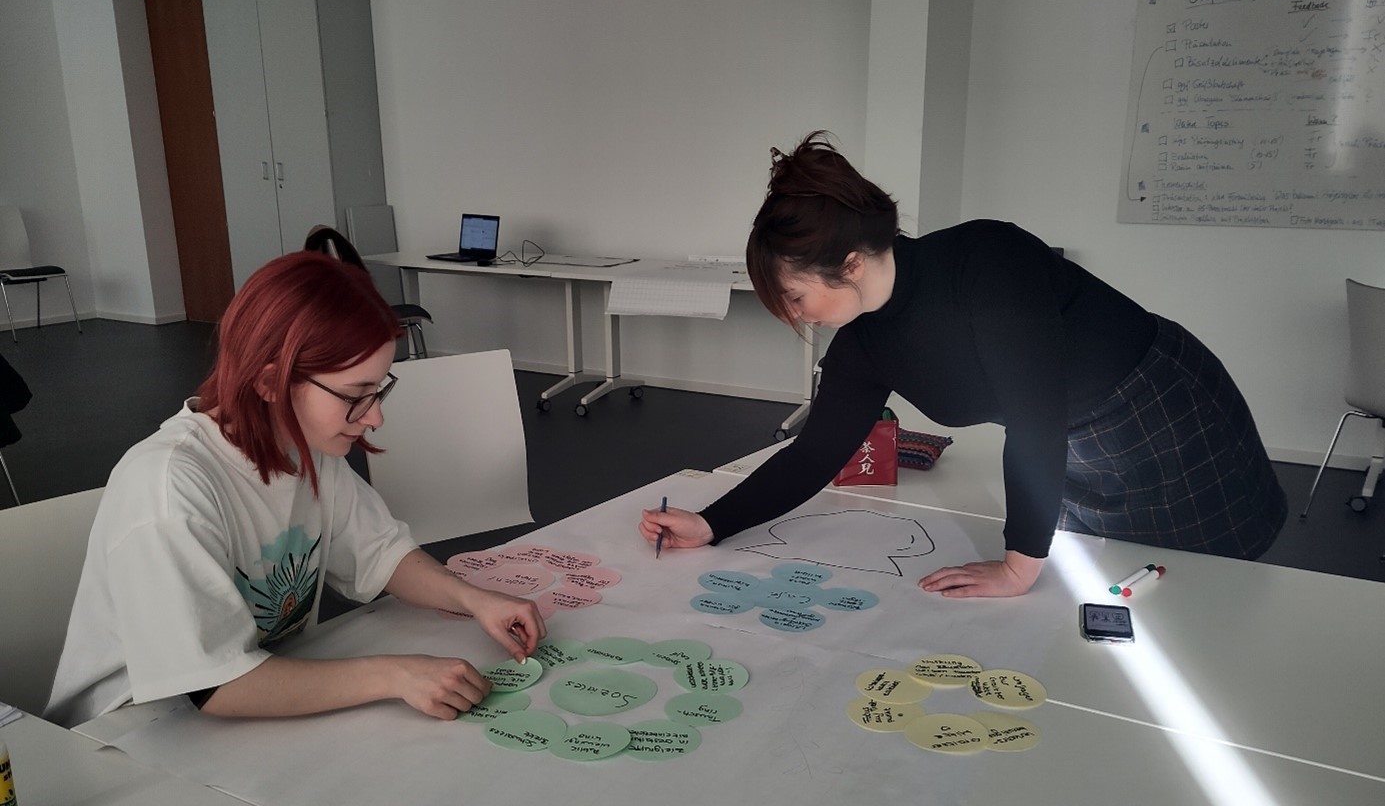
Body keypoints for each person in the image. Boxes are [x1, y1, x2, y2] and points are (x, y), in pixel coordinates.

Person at [639, 131, 1287, 598]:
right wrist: (710, 521)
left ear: (852, 264)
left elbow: (1034, 418)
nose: (797, 315)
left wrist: (1016, 565)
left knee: (1212, 588)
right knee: (1121, 586)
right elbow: (815, 453)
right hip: (1077, 443)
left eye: (796, 297)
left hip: (1160, 413)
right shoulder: (862, 345)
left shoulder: (985, 261)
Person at [45, 252, 546, 727]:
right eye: (355, 395)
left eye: (379, 389)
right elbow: (215, 687)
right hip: (134, 734)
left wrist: (475, 599)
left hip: (250, 702)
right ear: (269, 382)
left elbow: (381, 554)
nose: (375, 416)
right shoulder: (171, 487)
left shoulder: (303, 447)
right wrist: (395, 674)